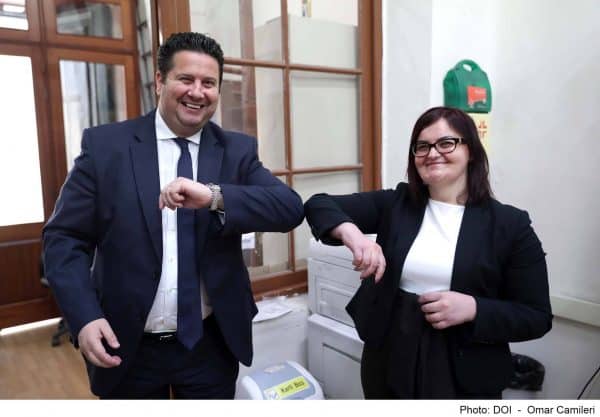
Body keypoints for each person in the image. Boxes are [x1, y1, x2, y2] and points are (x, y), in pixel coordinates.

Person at [43, 32, 304, 399]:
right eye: (186, 79)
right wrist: (84, 316)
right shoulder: (106, 147)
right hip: (126, 343)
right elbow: (64, 239)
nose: (197, 92)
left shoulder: (236, 151)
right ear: (160, 81)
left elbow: (289, 208)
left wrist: (214, 196)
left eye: (208, 83)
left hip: (209, 345)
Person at [304, 106, 552, 399]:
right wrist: (355, 237)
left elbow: (536, 316)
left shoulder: (509, 225)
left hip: (464, 369)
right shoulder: (397, 204)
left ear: (471, 151)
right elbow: (318, 204)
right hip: (389, 358)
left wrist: (474, 308)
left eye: (446, 143)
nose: (432, 153)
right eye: (422, 147)